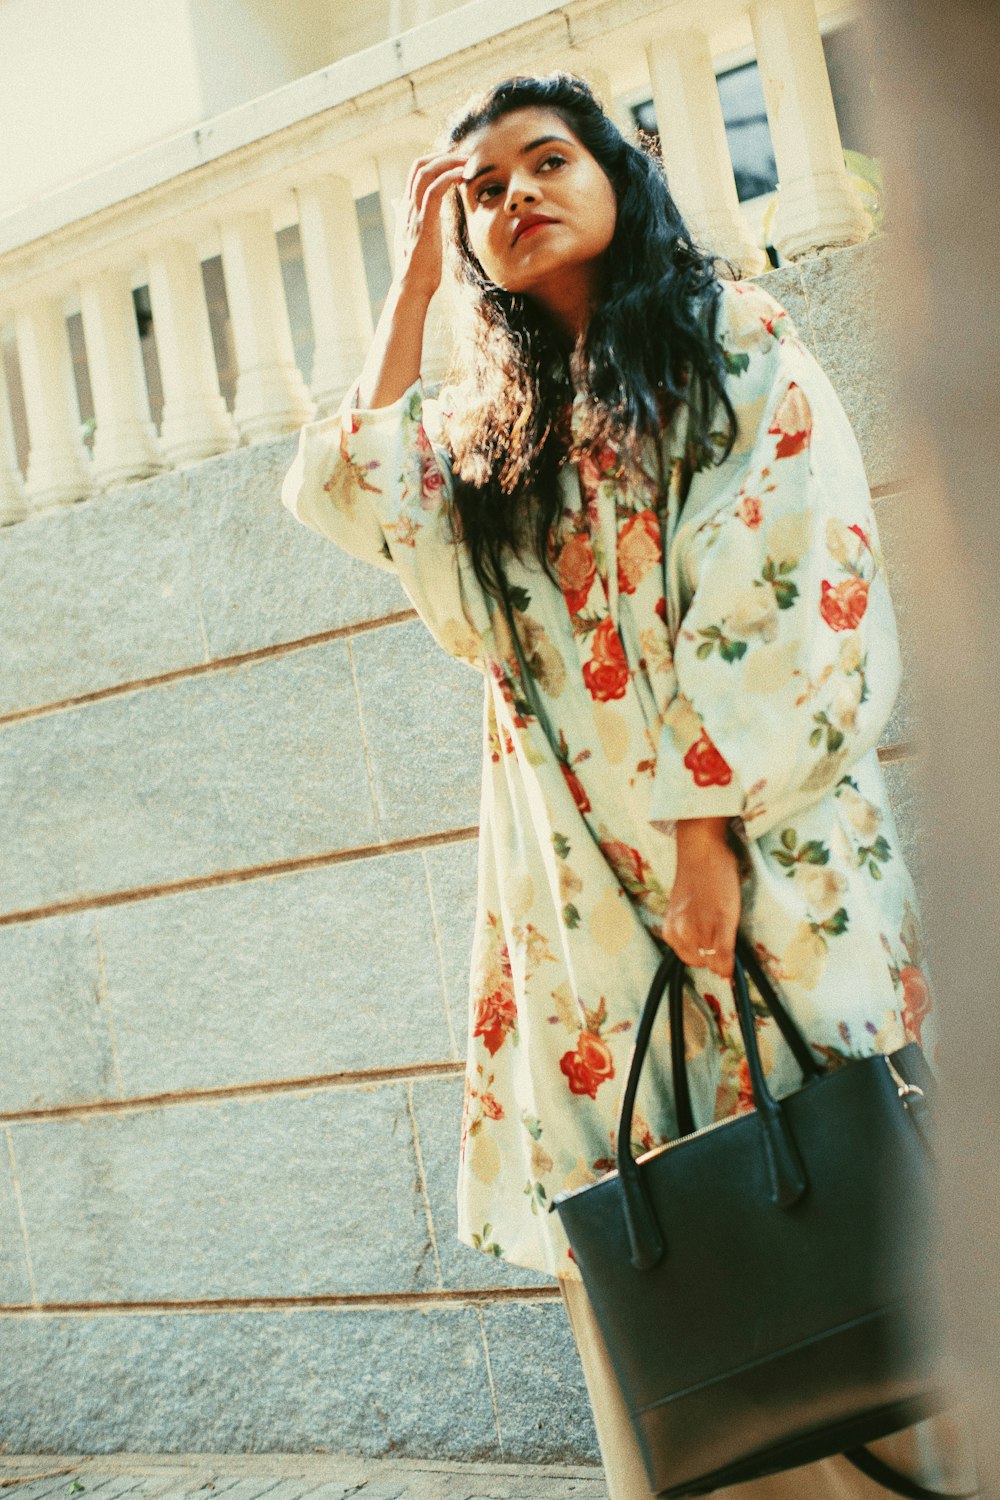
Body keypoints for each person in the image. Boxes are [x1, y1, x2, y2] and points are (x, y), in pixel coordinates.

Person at [281, 71, 975, 1500]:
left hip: (770, 857)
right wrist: (414, 284)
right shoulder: (490, 429)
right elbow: (356, 488)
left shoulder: (734, 342)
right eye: (481, 190)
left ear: (620, 174)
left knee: (843, 1175)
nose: (515, 194)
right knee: (672, 1246)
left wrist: (709, 829)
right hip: (586, 914)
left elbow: (793, 585)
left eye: (546, 162)